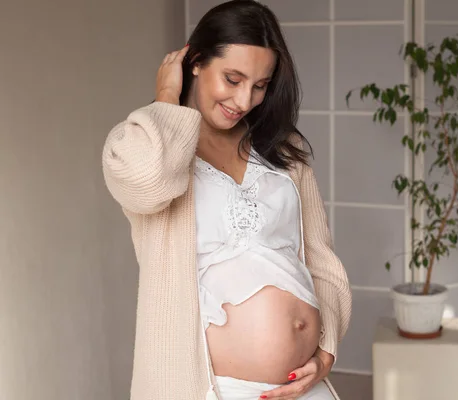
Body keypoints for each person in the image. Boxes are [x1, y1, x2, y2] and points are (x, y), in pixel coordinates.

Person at [101, 1, 352, 399]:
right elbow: (145, 183)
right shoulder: (142, 144)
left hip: (303, 390)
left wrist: (326, 352)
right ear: (196, 61)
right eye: (232, 78)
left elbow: (322, 261)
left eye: (260, 85)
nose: (244, 100)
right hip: (211, 390)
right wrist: (167, 95)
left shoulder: (284, 149)